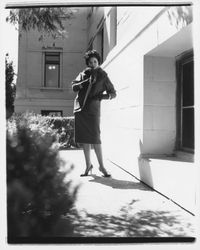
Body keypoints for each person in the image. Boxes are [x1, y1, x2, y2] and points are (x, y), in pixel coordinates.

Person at [71, 50, 117, 177]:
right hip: (80, 110)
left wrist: (101, 97)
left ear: (98, 62)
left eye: (95, 61)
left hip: (93, 110)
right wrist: (86, 82)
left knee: (96, 139)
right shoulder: (83, 74)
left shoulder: (103, 76)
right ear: (88, 63)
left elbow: (113, 93)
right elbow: (74, 87)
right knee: (85, 140)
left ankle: (101, 167)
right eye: (90, 62)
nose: (92, 64)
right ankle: (88, 166)